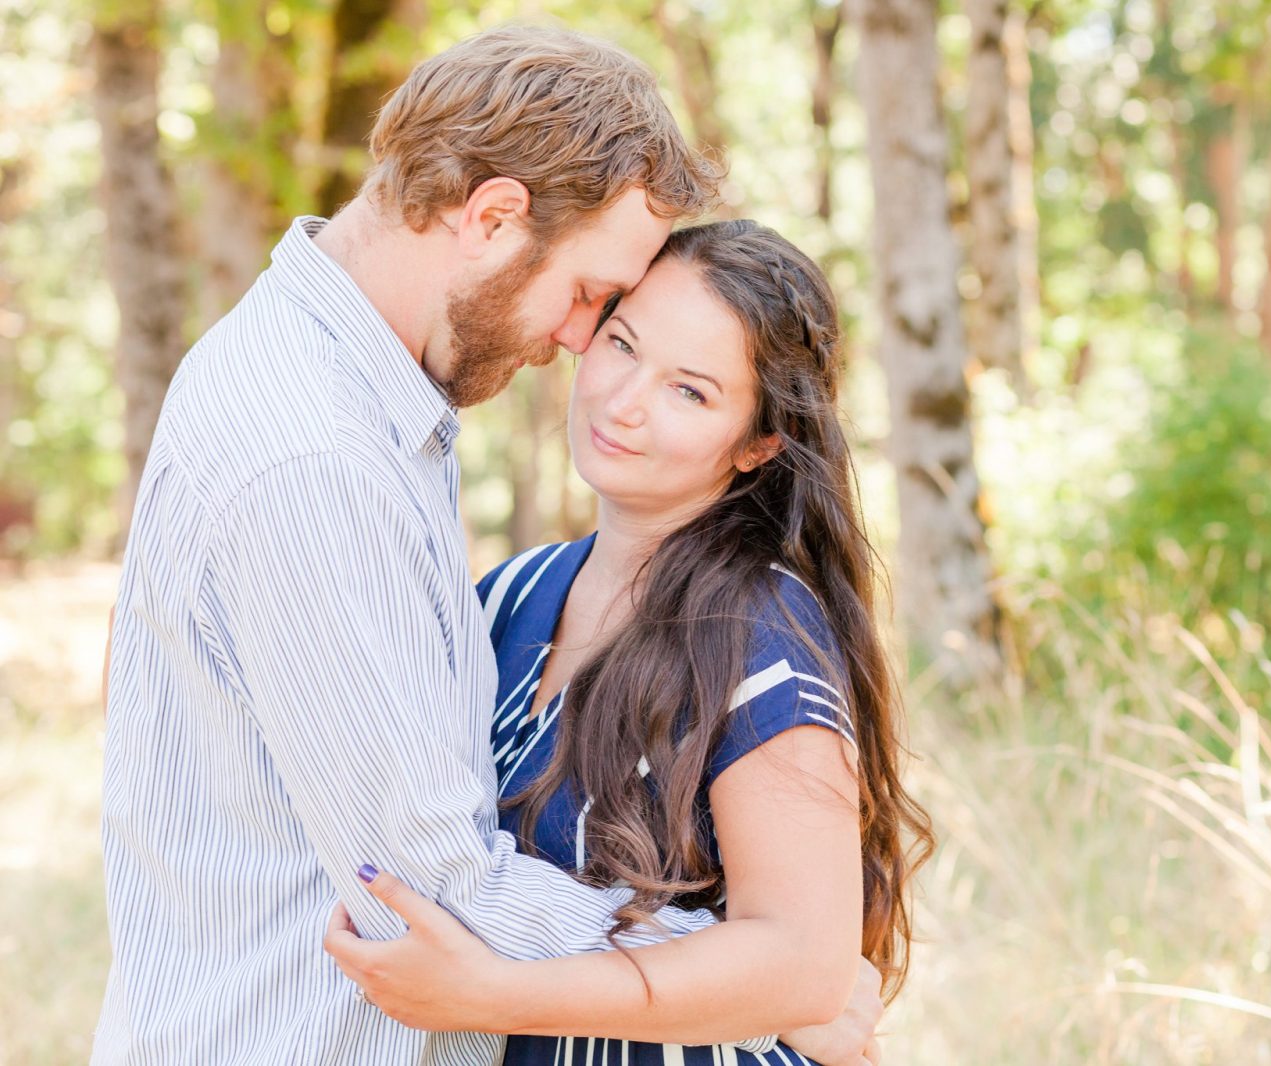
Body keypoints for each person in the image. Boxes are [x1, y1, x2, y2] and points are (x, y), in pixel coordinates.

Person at [94, 27, 876, 1066]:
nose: (577, 342)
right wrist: (772, 983)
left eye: (687, 386)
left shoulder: (360, 391)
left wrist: (784, 965)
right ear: (493, 216)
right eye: (597, 300)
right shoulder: (318, 454)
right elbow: (430, 890)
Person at [323, 219, 932, 1066]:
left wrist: (499, 995)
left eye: (691, 390)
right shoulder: (509, 596)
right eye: (622, 344)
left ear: (760, 443)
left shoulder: (758, 637)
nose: (625, 401)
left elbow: (802, 960)